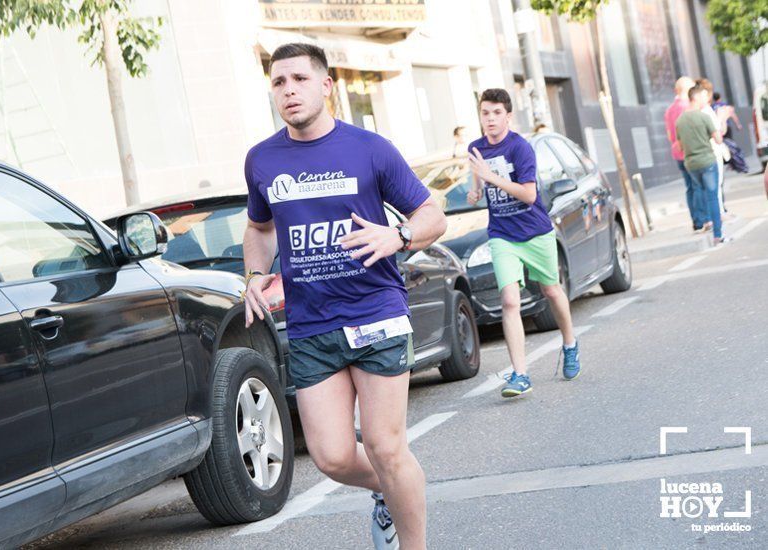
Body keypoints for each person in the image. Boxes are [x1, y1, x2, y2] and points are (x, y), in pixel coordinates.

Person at [242, 42, 447, 550]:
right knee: (332, 457)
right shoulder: (262, 160)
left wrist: (397, 236)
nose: (288, 90)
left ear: (327, 85)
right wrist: (253, 275)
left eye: (300, 79)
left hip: (376, 312)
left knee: (384, 445)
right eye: (279, 82)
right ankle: (390, 491)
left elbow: (432, 216)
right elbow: (259, 228)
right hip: (312, 324)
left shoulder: (369, 148)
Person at [465, 88, 580, 398]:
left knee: (551, 290)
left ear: (508, 116)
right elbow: (477, 183)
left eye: (496, 113)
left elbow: (529, 195)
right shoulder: (475, 148)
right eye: (485, 113)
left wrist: (491, 177)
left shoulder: (520, 148)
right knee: (510, 301)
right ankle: (520, 374)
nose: (489, 119)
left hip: (534, 231)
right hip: (502, 235)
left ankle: (570, 343)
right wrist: (475, 191)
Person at [675, 84, 726, 244]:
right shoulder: (704, 117)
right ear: (695, 97)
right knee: (712, 196)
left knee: (699, 191)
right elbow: (718, 139)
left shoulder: (680, 120)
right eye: (704, 96)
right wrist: (722, 119)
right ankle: (718, 235)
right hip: (707, 161)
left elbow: (680, 146)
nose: (707, 99)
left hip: (691, 163)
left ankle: (705, 221)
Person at [664, 76, 707, 231]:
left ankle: (696, 220)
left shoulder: (669, 110)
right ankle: (702, 219)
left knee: (689, 187)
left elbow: (670, 136)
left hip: (678, 154)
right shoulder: (687, 107)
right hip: (691, 153)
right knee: (698, 186)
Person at [696, 78, 731, 214]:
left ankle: (715, 215)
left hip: (703, 153)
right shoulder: (706, 111)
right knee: (715, 185)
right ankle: (719, 214)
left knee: (708, 187)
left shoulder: (697, 111)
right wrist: (722, 118)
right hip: (712, 152)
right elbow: (719, 134)